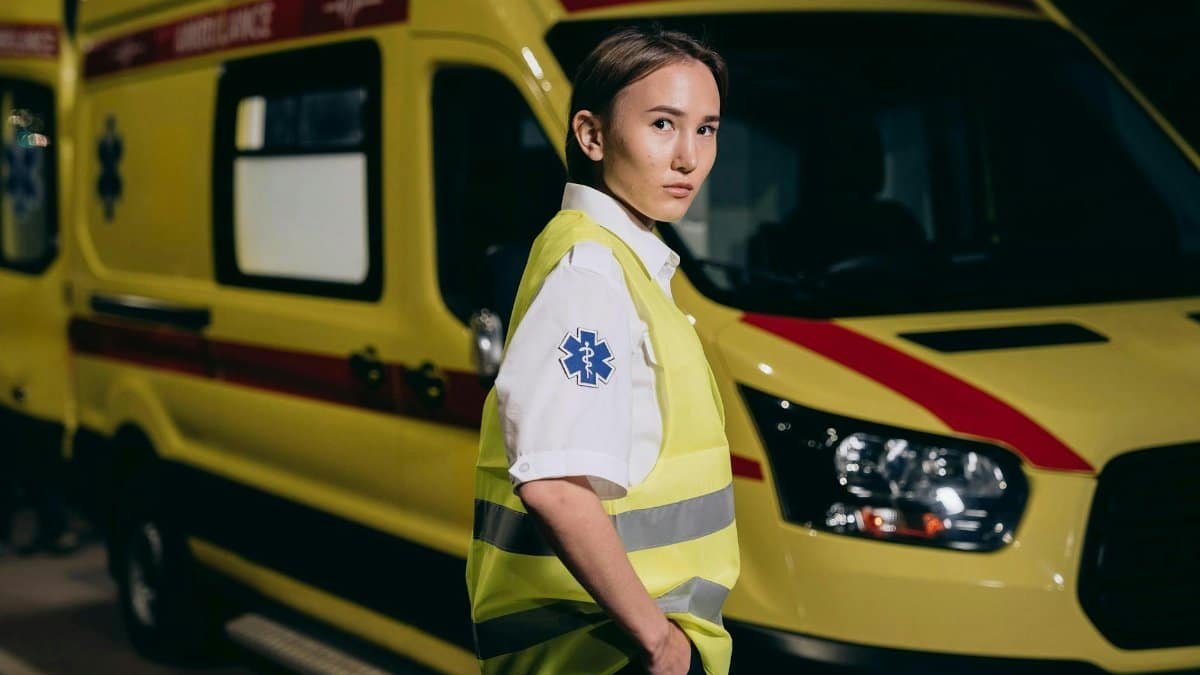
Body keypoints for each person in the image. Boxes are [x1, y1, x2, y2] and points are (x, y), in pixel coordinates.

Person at [466, 26, 738, 675]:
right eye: (663, 123)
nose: (688, 157)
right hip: (608, 649)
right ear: (591, 136)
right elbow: (554, 486)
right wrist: (660, 640)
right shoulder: (590, 271)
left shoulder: (619, 260)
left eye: (707, 129)